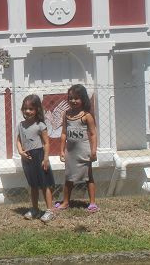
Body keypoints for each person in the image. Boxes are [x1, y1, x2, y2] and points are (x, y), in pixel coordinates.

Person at [55, 84, 99, 213]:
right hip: (71, 152)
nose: (73, 101)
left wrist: (93, 151)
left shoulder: (87, 116)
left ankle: (92, 203)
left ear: (83, 99)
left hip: (84, 151)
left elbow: (92, 134)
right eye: (70, 98)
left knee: (88, 176)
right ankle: (66, 201)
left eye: (76, 98)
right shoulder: (66, 114)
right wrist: (61, 150)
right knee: (69, 177)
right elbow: (64, 133)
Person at [16, 95, 55, 222]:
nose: (28, 111)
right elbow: (18, 140)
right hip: (27, 159)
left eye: (31, 109)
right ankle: (35, 209)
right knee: (33, 185)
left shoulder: (40, 125)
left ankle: (50, 211)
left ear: (37, 109)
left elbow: (46, 143)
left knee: (45, 185)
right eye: (25, 108)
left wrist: (46, 158)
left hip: (39, 156)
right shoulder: (21, 125)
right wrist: (21, 152)